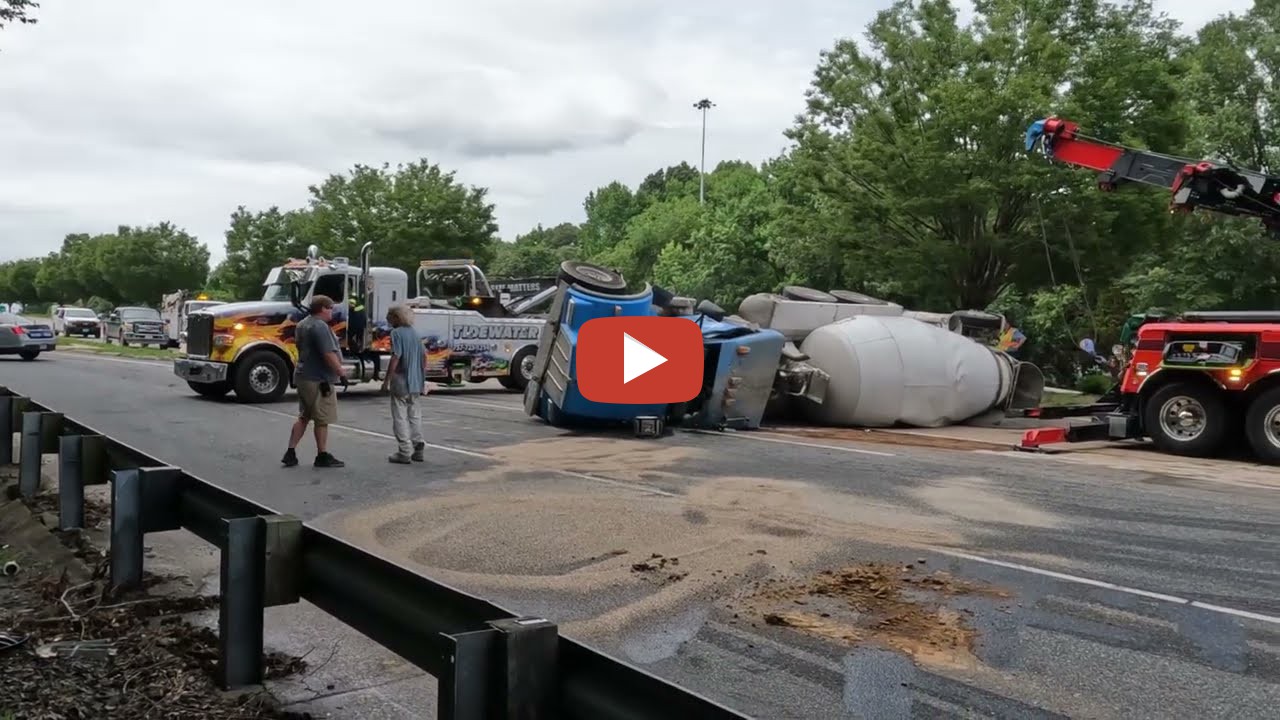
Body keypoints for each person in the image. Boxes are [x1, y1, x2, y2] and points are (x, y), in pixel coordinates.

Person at [282, 295, 347, 468]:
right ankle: (322, 455)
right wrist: (340, 371)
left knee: (304, 416)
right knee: (322, 418)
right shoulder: (320, 326)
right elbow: (327, 353)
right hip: (318, 378)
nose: (332, 311)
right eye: (331, 307)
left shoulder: (303, 324)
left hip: (304, 375)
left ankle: (290, 452)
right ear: (323, 309)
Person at [381, 304, 428, 464]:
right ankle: (418, 443)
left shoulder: (396, 333)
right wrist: (423, 378)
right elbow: (424, 357)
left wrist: (387, 380)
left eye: (389, 316)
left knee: (399, 416)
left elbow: (396, 357)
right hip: (416, 380)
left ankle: (404, 451)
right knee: (415, 414)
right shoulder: (415, 334)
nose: (387, 319)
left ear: (396, 317)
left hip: (401, 379)